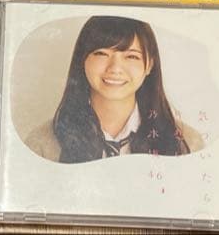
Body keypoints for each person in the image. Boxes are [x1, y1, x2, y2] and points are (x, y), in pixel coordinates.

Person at [23, 16, 200, 162]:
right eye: (102, 54)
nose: (115, 68)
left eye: (131, 56)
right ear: (82, 60)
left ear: (149, 65)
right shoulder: (42, 144)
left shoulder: (186, 143)